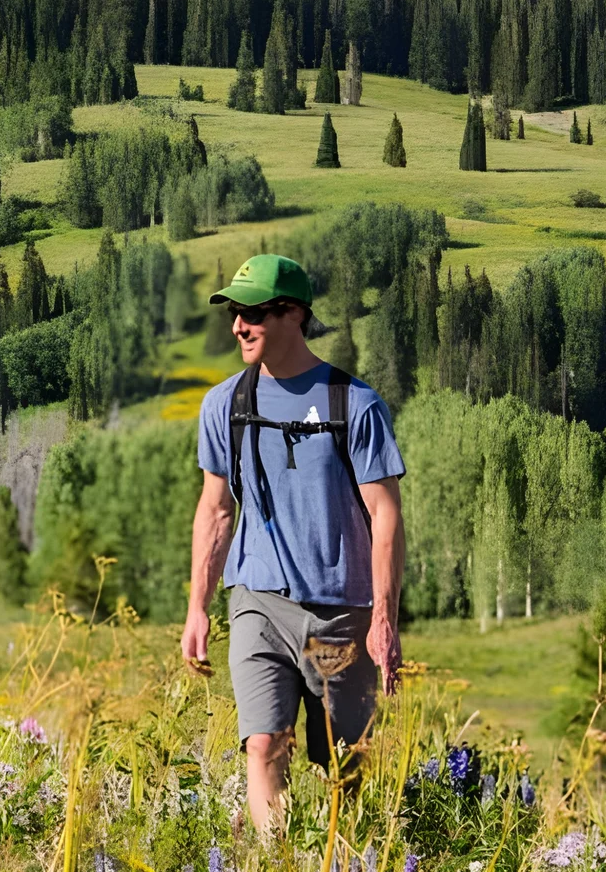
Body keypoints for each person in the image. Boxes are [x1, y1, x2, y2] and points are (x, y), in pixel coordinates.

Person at [178, 254, 405, 836]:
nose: (238, 326)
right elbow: (215, 508)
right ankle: (274, 854)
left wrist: (384, 619)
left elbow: (385, 517)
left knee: (344, 764)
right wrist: (197, 608)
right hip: (256, 597)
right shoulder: (223, 405)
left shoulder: (355, 405)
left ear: (293, 314)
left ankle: (341, 851)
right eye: (235, 313)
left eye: (252, 313)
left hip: (339, 613)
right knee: (262, 743)